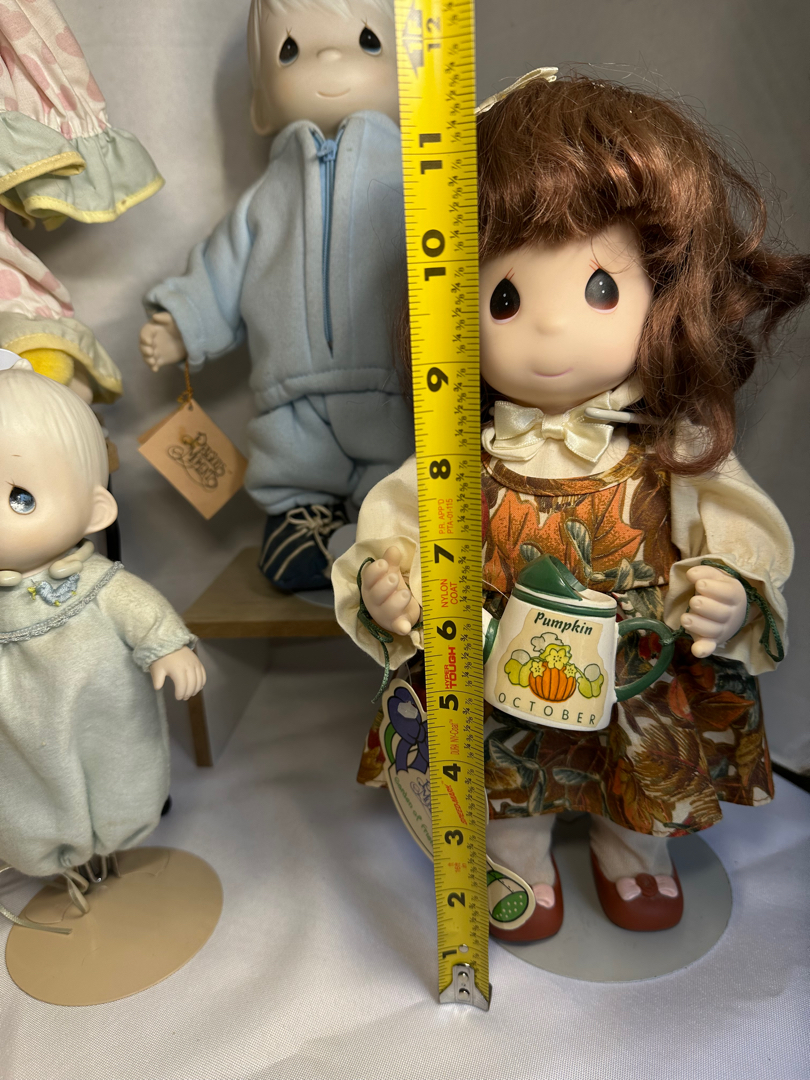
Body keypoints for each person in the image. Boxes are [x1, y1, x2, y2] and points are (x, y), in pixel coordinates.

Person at [332, 74, 810, 938]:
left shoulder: (671, 447)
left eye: (599, 289)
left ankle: (633, 851)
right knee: (508, 775)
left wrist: (731, 590)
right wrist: (387, 582)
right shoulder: (461, 454)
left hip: (638, 667)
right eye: (505, 298)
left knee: (640, 774)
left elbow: (738, 522)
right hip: (502, 670)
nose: (549, 328)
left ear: (664, 288)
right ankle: (519, 858)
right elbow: (399, 525)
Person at [139, 0, 413, 591]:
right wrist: (184, 320)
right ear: (262, 102)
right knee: (291, 471)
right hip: (291, 397)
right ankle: (302, 525)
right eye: (291, 51)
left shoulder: (415, 182)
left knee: (398, 487)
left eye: (368, 41)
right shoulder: (264, 201)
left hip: (394, 388)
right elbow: (222, 264)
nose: (330, 57)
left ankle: (379, 541)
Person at [0, 360, 205, 929]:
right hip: (19, 737)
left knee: (120, 770)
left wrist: (169, 649)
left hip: (107, 719)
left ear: (96, 510)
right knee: (25, 795)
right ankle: (63, 868)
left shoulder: (98, 585)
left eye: (21, 498)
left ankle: (113, 852)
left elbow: (139, 609)